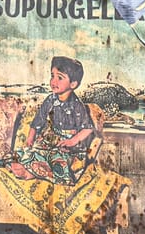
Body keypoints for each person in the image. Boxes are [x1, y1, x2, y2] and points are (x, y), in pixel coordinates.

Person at [7, 57, 99, 185]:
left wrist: (72, 141)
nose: (53, 81)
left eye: (59, 77)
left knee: (57, 160)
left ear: (73, 84)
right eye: (52, 76)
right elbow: (37, 122)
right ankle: (28, 168)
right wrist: (30, 139)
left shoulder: (76, 105)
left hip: (65, 147)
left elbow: (88, 128)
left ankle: (32, 173)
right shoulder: (50, 99)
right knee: (26, 153)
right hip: (47, 142)